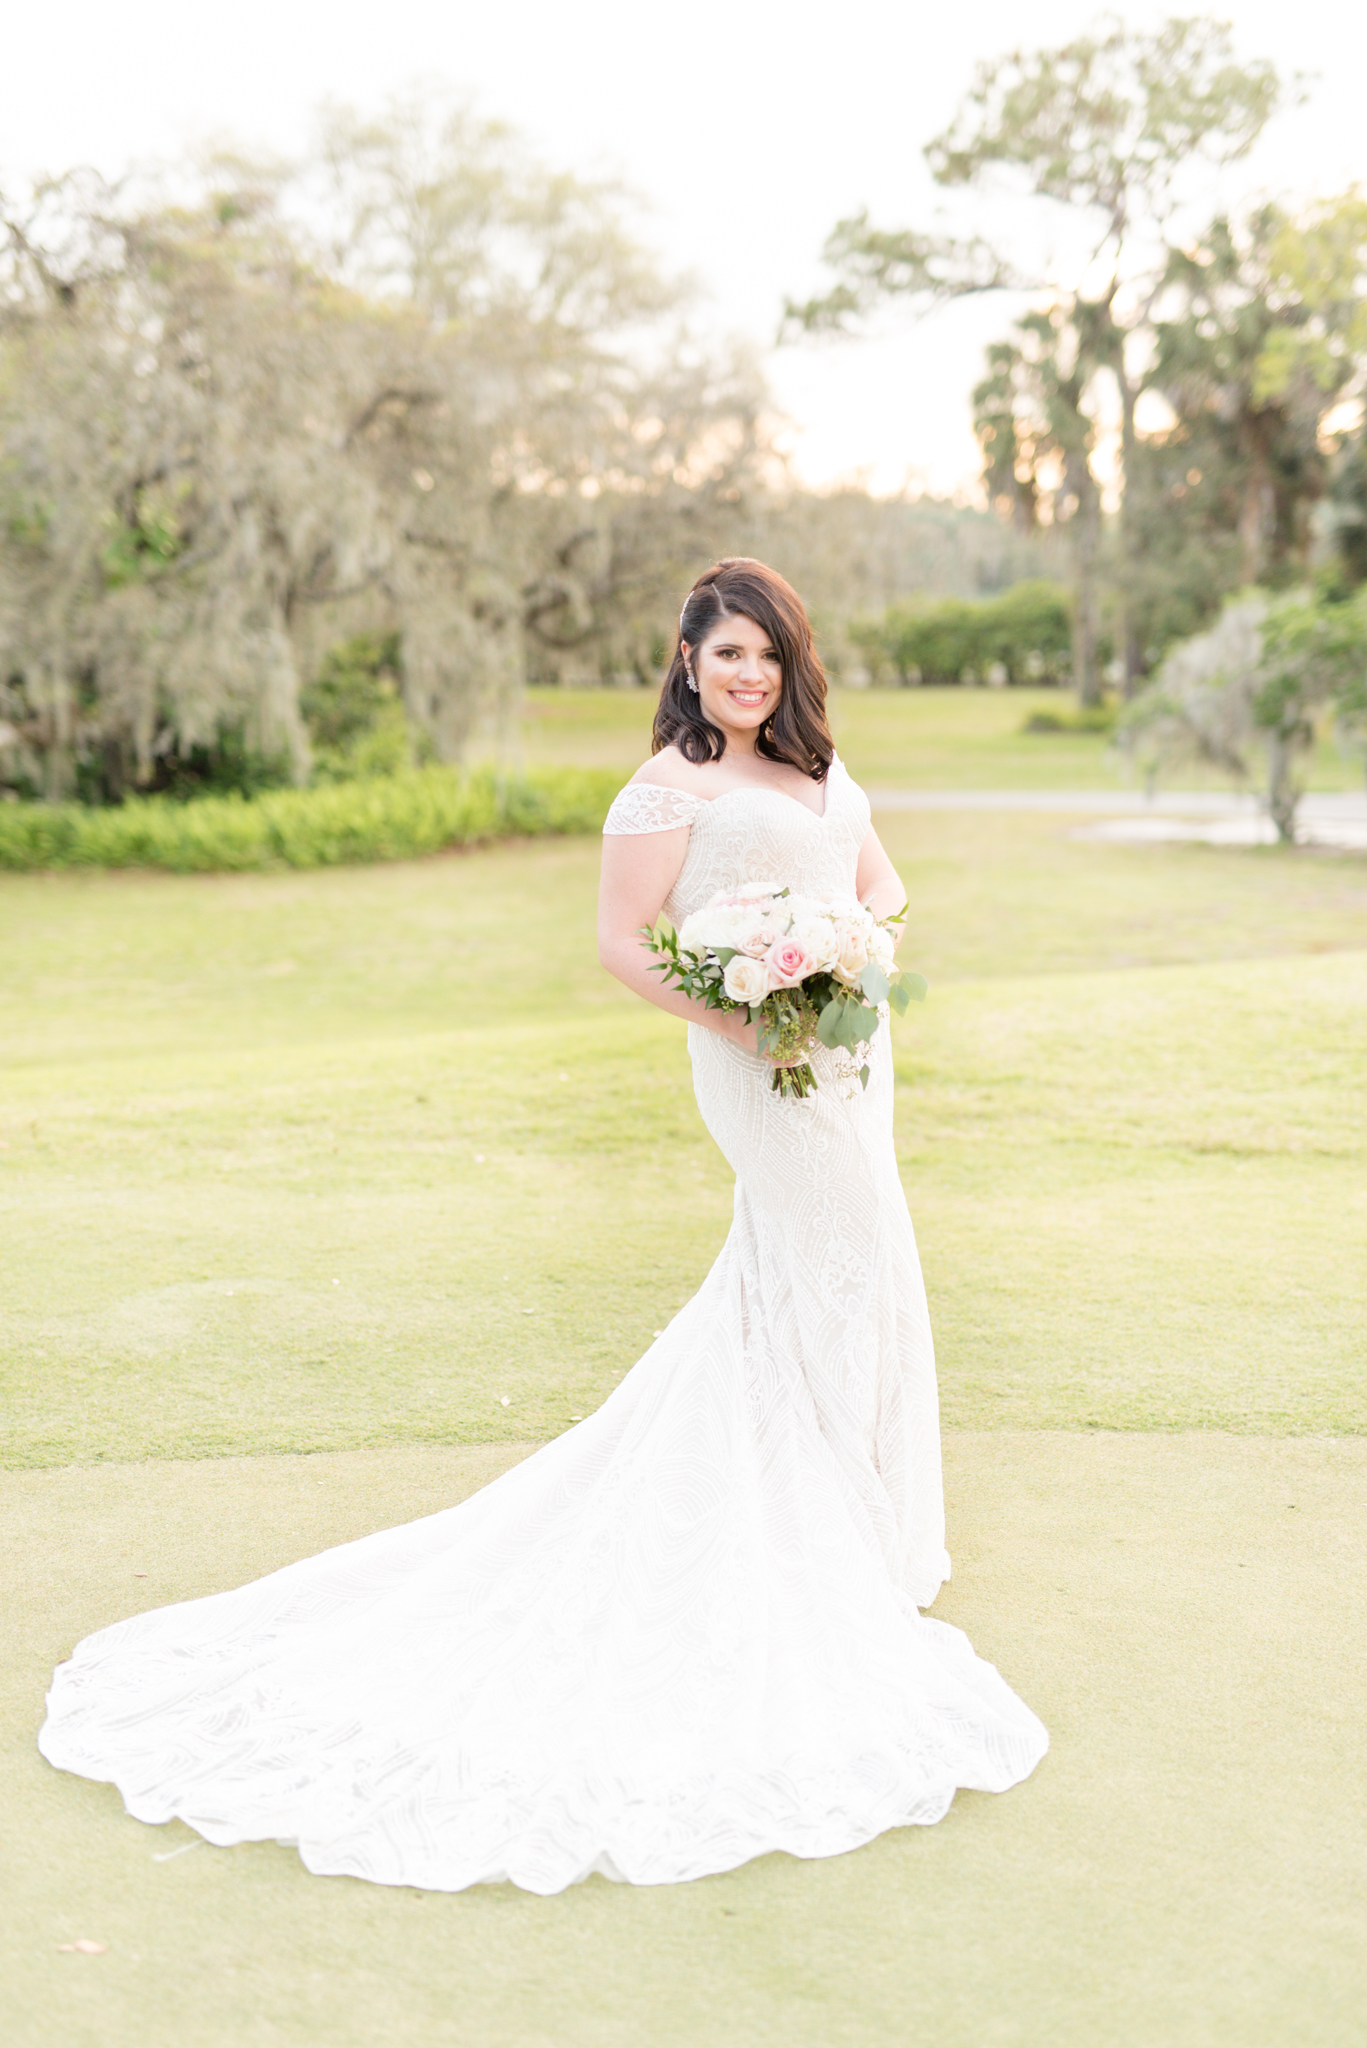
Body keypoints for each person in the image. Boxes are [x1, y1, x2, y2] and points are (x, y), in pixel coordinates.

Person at [39, 557, 1046, 1895]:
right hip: (753, 1058)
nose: (746, 676)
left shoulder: (820, 773)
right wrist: (750, 1004)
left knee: (863, 1268)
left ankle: (847, 1533)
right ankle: (812, 1540)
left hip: (850, 1060)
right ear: (687, 664)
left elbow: (886, 889)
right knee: (825, 1260)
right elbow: (626, 943)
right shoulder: (668, 790)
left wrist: (842, 954)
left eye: (767, 656)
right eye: (724, 656)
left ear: (792, 665)